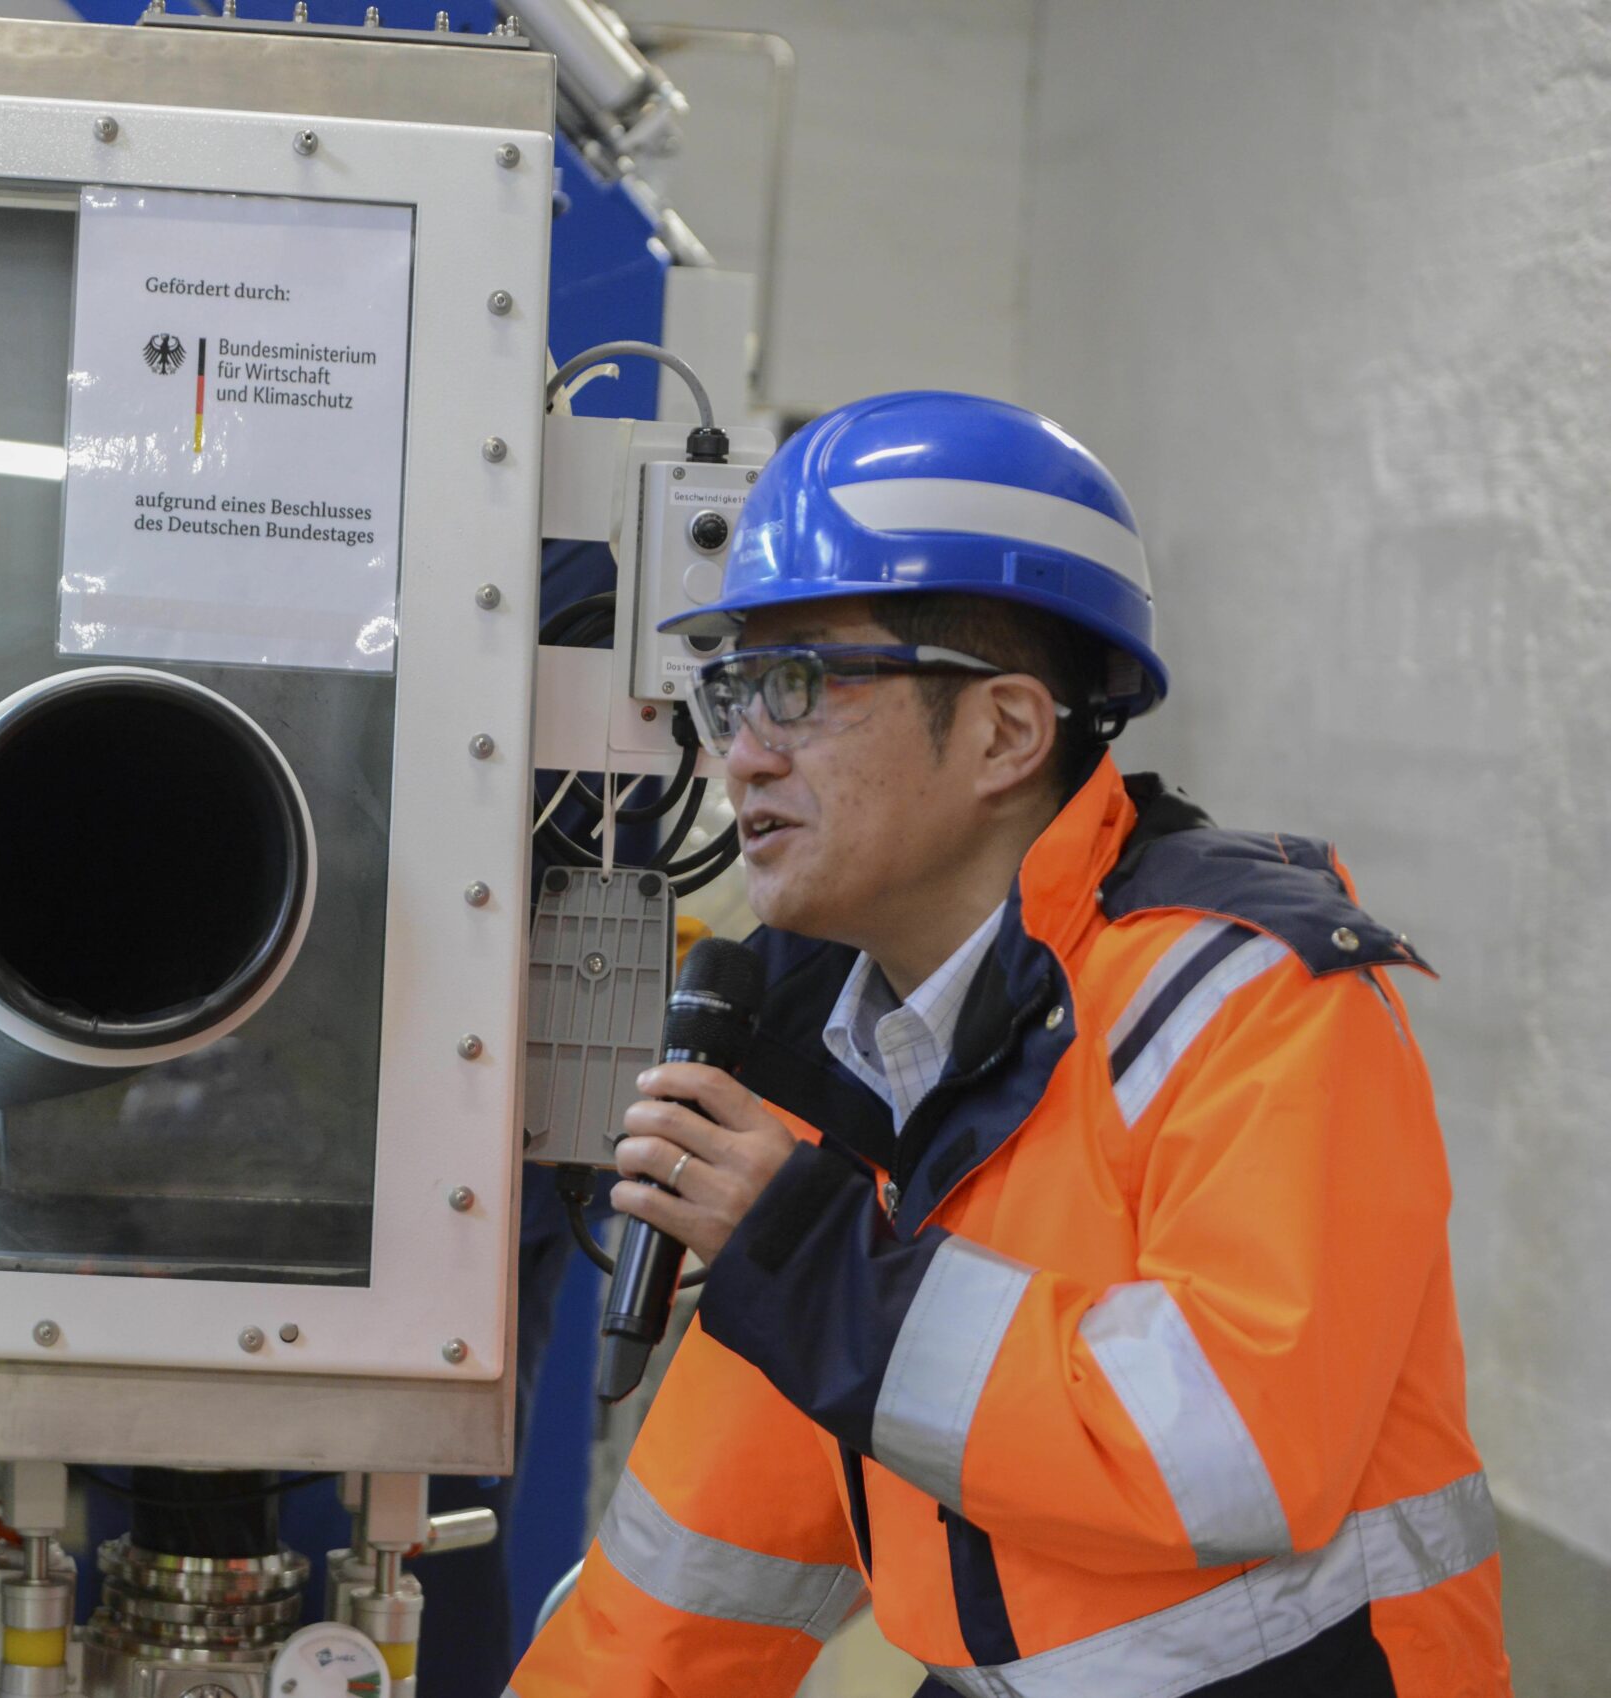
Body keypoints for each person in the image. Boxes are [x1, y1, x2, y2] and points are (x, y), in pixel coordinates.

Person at [512, 391, 1509, 1697]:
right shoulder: (837, 1056)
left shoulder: (1256, 997)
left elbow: (1233, 1454)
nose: (742, 757)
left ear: (1006, 732)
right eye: (733, 690)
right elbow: (696, 1574)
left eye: (797, 686)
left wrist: (817, 1267)